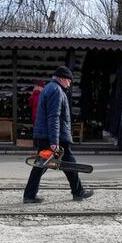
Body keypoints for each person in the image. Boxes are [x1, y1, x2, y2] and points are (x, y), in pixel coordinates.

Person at [23, 66, 93, 204]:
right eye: (68, 80)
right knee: (61, 164)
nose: (69, 83)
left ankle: (30, 195)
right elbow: (54, 117)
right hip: (56, 136)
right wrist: (54, 141)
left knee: (44, 165)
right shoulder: (56, 91)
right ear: (62, 78)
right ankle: (77, 192)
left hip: (49, 135)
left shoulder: (50, 88)